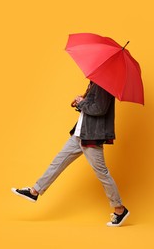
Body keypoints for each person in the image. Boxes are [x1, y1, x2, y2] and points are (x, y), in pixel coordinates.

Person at [11, 81, 129, 227]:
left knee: (102, 173)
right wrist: (83, 102)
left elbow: (100, 109)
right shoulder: (95, 83)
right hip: (79, 134)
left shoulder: (104, 84)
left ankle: (120, 209)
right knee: (58, 162)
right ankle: (35, 191)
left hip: (91, 136)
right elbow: (92, 107)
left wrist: (81, 103)